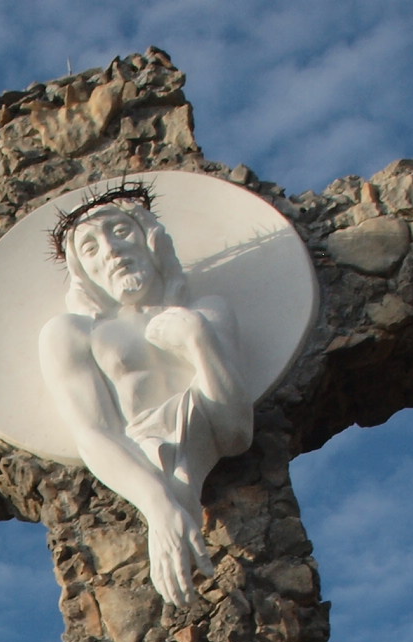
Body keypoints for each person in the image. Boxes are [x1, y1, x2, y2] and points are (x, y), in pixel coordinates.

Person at [38, 180, 254, 609]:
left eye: (120, 232)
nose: (112, 251)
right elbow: (94, 433)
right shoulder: (73, 333)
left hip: (196, 458)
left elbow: (234, 432)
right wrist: (158, 508)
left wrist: (198, 340)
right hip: (146, 462)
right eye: (91, 247)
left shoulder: (207, 312)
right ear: (83, 272)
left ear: (151, 239)